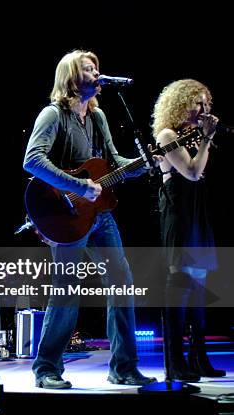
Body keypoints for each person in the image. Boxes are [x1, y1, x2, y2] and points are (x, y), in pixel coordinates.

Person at [23, 50, 157, 389]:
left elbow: (113, 162)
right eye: (89, 68)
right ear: (70, 77)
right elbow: (32, 161)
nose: (97, 72)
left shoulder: (98, 117)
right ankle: (46, 369)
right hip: (64, 214)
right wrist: (77, 185)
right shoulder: (53, 115)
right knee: (67, 289)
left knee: (123, 283)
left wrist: (143, 162)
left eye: (97, 67)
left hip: (99, 215)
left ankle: (124, 367)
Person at [152, 79, 225, 381]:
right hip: (179, 210)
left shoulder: (194, 135)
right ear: (181, 103)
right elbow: (193, 172)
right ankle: (175, 361)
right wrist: (207, 139)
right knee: (180, 286)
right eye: (198, 103)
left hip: (198, 210)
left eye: (207, 104)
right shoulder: (167, 134)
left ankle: (198, 356)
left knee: (198, 290)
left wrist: (205, 138)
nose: (204, 109)